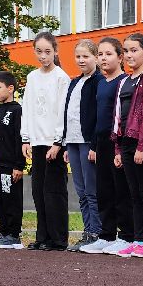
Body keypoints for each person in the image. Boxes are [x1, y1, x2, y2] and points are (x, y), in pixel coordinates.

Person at [19, 32, 71, 251]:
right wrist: (26, 138)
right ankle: (42, 237)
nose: (43, 56)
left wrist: (57, 142)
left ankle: (58, 239)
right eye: (39, 52)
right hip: (36, 142)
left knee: (54, 192)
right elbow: (28, 108)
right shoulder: (32, 77)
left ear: (55, 51)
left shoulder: (61, 77)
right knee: (38, 191)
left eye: (47, 52)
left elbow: (62, 111)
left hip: (53, 143)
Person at [114, 33, 143, 257]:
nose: (129, 55)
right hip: (125, 142)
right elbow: (118, 116)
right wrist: (117, 148)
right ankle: (138, 238)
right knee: (133, 193)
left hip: (142, 143)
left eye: (134, 50)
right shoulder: (125, 80)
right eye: (126, 51)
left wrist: (142, 147)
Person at [85, 36, 131, 254]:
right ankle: (106, 234)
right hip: (101, 142)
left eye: (108, 54)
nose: (103, 58)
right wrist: (94, 145)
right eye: (100, 54)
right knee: (103, 189)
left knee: (119, 189)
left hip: (117, 142)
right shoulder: (101, 83)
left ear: (120, 57)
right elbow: (98, 117)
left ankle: (126, 235)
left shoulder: (124, 82)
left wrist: (120, 147)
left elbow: (122, 116)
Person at [60, 39, 102, 249]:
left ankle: (96, 231)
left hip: (88, 142)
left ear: (95, 57)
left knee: (92, 189)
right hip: (73, 142)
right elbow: (69, 114)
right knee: (81, 190)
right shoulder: (74, 82)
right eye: (78, 56)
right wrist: (66, 143)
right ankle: (87, 231)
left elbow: (99, 116)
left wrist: (95, 144)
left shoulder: (99, 81)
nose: (81, 60)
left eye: (86, 56)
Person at [0, 70, 26, 249]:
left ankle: (13, 235)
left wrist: (19, 165)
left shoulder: (17, 110)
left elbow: (19, 139)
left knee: (11, 199)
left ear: (10, 88)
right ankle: (4, 232)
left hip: (10, 166)